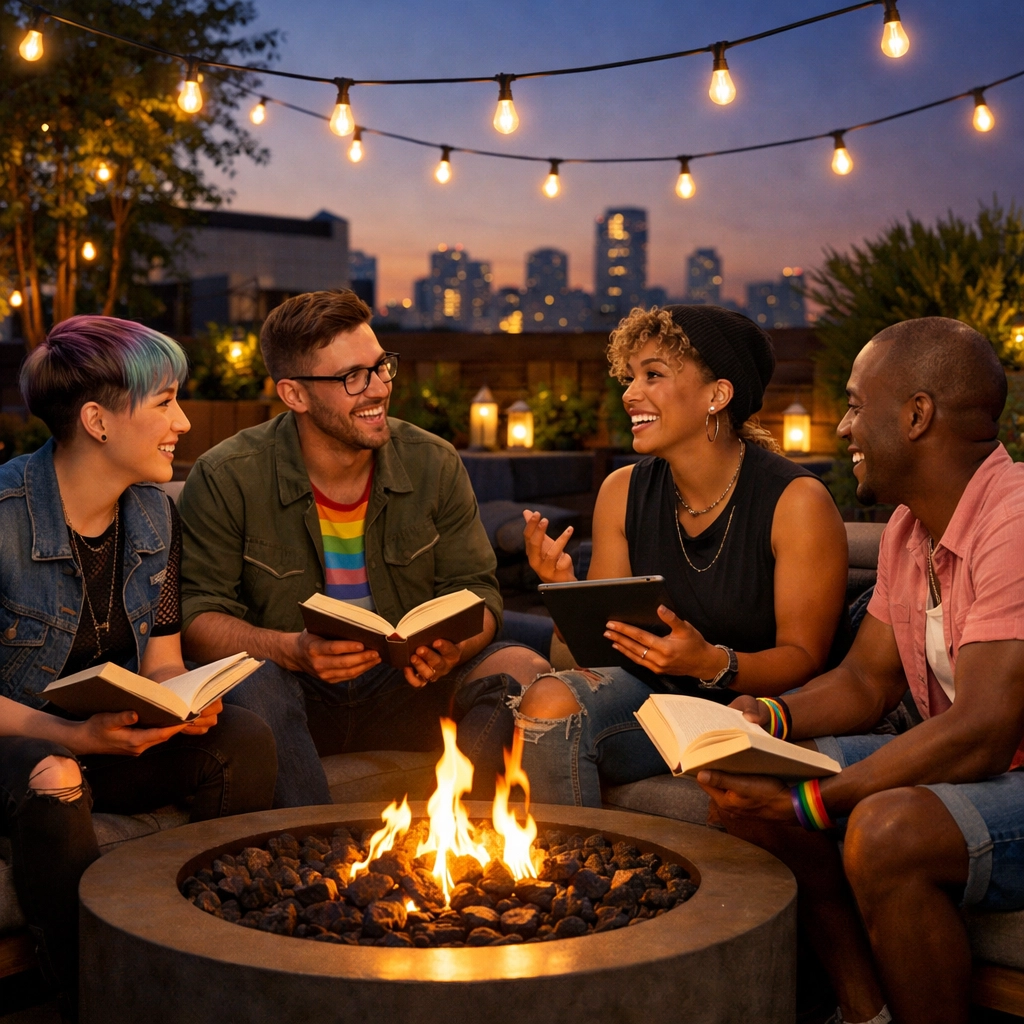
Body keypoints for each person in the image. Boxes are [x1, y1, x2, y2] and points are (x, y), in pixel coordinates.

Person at [697, 317, 1024, 1024]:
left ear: (916, 415)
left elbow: (985, 730)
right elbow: (866, 681)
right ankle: (862, 1011)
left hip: (1012, 771)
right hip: (986, 766)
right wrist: (767, 718)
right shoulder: (912, 528)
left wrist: (818, 802)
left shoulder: (1015, 518)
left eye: (852, 403)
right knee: (750, 780)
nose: (843, 427)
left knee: (884, 830)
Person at [0, 316, 277, 1019]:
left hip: (107, 735)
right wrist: (76, 740)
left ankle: (214, 953)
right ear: (97, 419)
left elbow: (161, 657)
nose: (183, 421)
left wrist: (180, 702)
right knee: (53, 775)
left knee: (242, 739)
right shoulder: (3, 517)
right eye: (164, 402)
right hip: (21, 741)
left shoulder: (154, 515)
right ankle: (86, 992)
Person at [178, 290, 549, 808]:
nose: (378, 389)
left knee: (523, 668)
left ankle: (462, 844)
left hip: (408, 688)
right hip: (295, 697)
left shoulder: (433, 462)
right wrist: (292, 650)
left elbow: (479, 593)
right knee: (256, 682)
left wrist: (450, 651)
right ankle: (311, 858)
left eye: (381, 368)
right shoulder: (227, 476)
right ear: (294, 394)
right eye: (353, 377)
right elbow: (194, 618)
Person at [516, 305, 849, 805]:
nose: (630, 393)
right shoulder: (621, 491)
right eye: (630, 377)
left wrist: (712, 663)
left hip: (746, 711)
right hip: (651, 702)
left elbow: (805, 659)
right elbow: (603, 658)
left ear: (717, 395)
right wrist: (567, 597)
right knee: (546, 699)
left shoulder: (797, 502)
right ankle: (562, 873)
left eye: (653, 375)